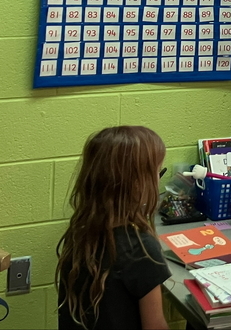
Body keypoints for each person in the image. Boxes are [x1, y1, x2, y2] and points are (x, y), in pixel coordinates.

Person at [56, 126, 170, 330]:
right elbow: (156, 326)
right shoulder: (141, 249)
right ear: (135, 183)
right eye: (157, 173)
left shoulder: (80, 232)